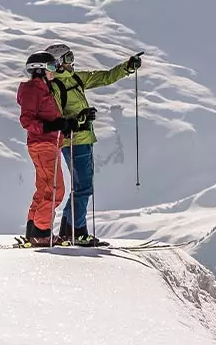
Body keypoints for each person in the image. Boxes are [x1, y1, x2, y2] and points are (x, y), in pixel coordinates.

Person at [45, 42, 142, 245]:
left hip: (84, 139)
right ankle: (78, 233)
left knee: (81, 186)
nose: (73, 62)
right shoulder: (55, 87)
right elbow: (56, 118)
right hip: (73, 140)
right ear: (59, 63)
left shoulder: (77, 79)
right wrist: (80, 117)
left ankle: (68, 231)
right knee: (83, 187)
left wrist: (127, 66)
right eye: (69, 58)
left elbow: (105, 77)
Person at [16, 51, 83, 247]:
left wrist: (65, 124)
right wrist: (53, 126)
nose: (55, 71)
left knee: (45, 188)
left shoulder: (44, 89)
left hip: (48, 143)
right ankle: (42, 233)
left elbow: (49, 118)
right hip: (42, 144)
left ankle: (33, 230)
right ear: (40, 70)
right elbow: (27, 120)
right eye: (52, 67)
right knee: (55, 190)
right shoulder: (33, 90)